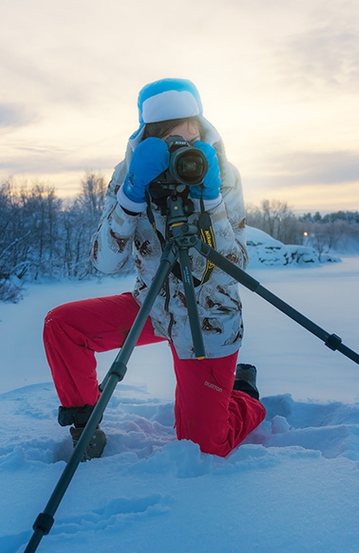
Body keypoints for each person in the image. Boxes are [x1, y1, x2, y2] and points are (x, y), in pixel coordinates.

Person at [43, 78, 266, 459]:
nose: (189, 137)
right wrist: (131, 193)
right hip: (153, 306)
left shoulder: (221, 173)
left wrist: (210, 200)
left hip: (210, 317)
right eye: (175, 130)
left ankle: (242, 393)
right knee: (62, 325)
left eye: (195, 125)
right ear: (151, 135)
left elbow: (235, 268)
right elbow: (106, 262)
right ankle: (85, 424)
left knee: (204, 446)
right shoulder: (130, 173)